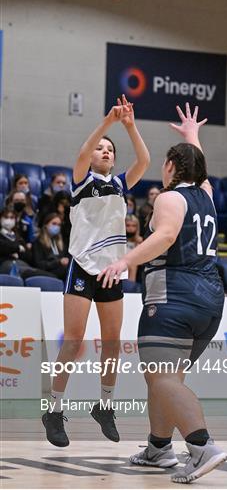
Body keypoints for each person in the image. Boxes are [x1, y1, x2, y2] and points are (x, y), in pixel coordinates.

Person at [98, 103, 227, 484]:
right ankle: (159, 448)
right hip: (211, 299)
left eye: (166, 163)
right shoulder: (206, 193)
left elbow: (166, 236)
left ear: (171, 166)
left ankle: (202, 447)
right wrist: (191, 136)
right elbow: (199, 167)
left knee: (163, 378)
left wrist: (124, 262)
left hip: (174, 294)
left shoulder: (169, 198)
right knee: (164, 377)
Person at [42, 95, 150, 448]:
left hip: (111, 271)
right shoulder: (80, 180)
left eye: (110, 149)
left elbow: (145, 160)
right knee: (72, 343)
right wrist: (107, 122)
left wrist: (130, 127)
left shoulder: (120, 184)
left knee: (113, 344)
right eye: (100, 149)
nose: (104, 151)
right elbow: (83, 149)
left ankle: (104, 406)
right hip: (82, 266)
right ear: (91, 157)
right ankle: (53, 410)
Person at [0, 208, 53, 279]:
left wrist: (14, 250)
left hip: (21, 264)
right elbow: (3, 247)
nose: (9, 220)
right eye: (6, 217)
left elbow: (28, 256)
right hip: (5, 264)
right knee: (31, 275)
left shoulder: (18, 237)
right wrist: (18, 248)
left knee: (47, 276)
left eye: (12, 217)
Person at [32, 213, 69, 280]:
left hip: (60, 272)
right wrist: (58, 262)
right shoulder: (38, 242)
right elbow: (39, 264)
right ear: (46, 225)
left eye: (59, 225)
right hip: (46, 273)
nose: (57, 227)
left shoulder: (60, 243)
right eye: (54, 224)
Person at [125, 214, 143, 284]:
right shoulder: (119, 241)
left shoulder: (140, 242)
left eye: (133, 226)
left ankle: (131, 286)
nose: (131, 228)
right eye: (128, 225)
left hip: (136, 274)